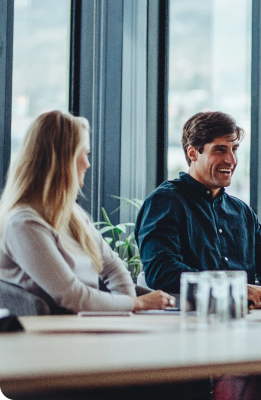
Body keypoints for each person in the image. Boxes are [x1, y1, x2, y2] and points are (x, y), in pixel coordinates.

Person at [0, 110, 174, 313]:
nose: (88, 163)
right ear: (64, 160)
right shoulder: (23, 224)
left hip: (82, 325)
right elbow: (73, 297)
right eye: (85, 154)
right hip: (50, 335)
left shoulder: (71, 213)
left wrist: (128, 310)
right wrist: (137, 303)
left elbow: (112, 267)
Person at [137, 111, 261, 308]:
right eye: (220, 150)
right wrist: (234, 287)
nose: (231, 160)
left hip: (245, 324)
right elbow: (162, 271)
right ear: (193, 153)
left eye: (234, 149)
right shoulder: (165, 201)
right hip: (187, 325)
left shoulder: (241, 211)